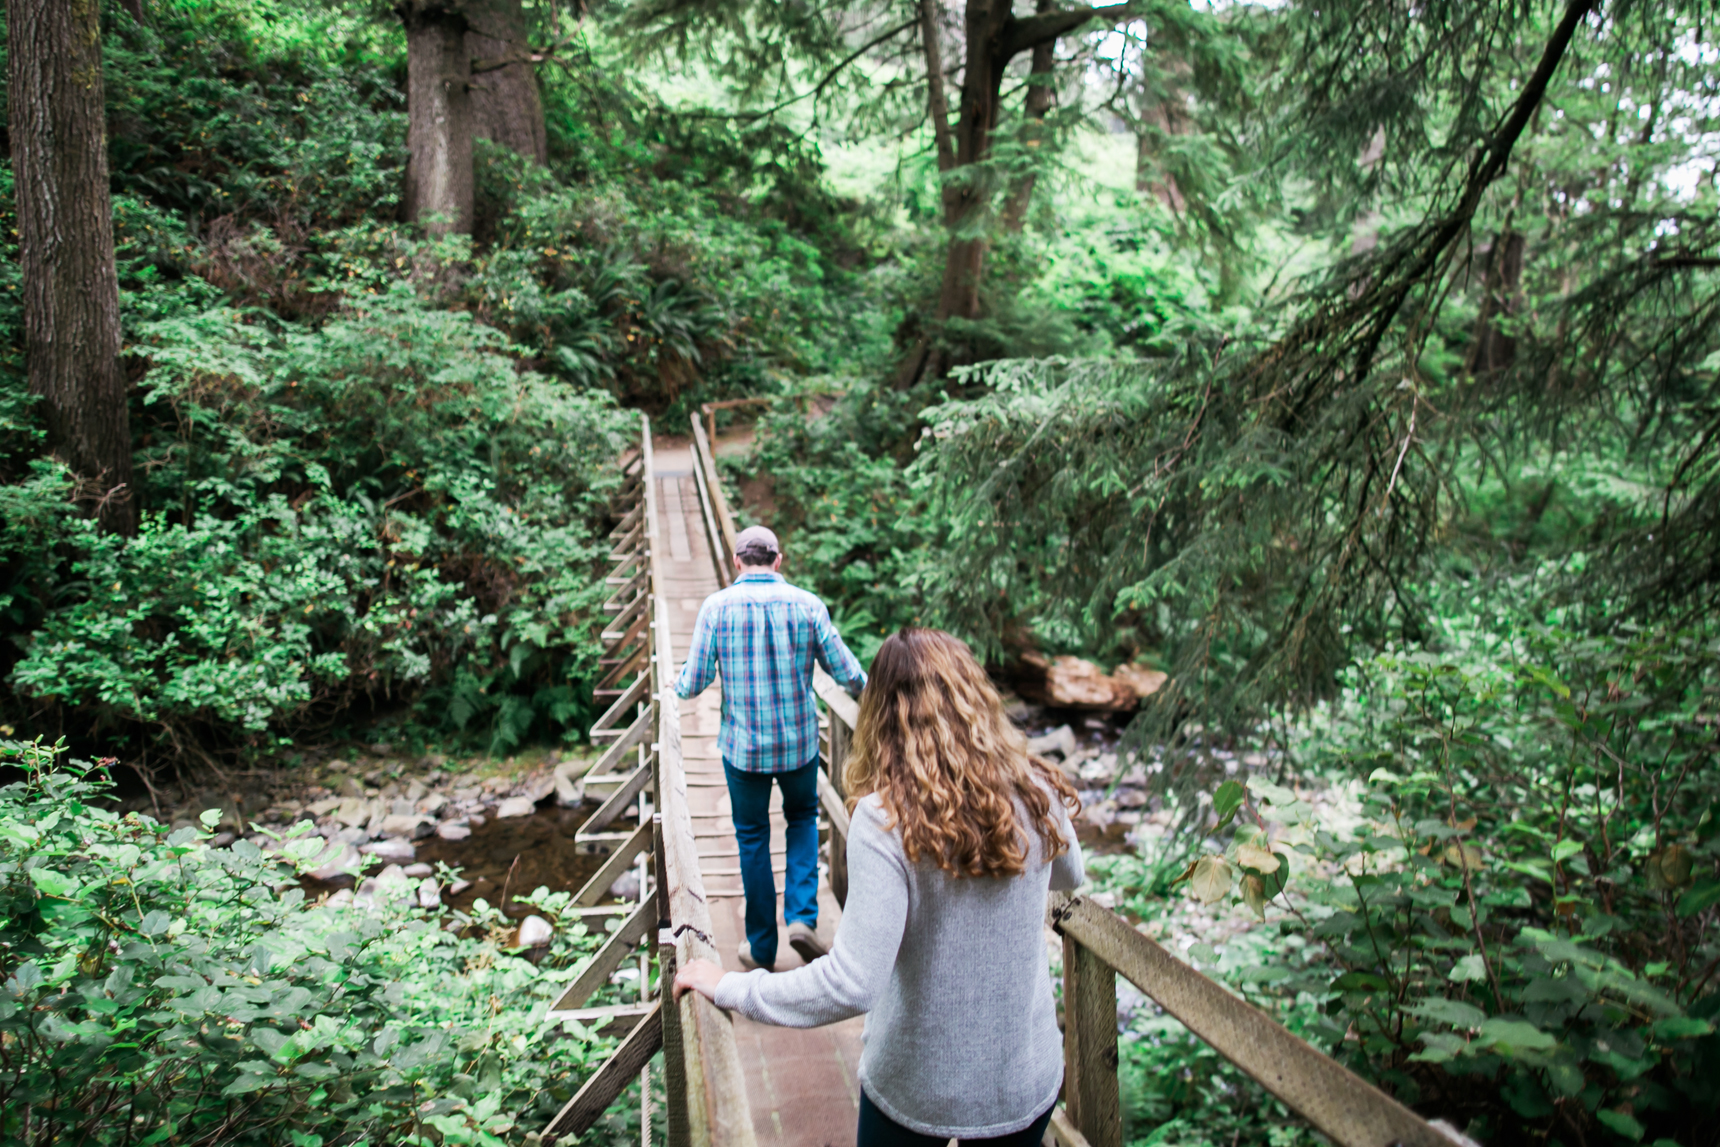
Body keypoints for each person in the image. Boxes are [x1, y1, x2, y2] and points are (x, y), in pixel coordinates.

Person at [675, 627, 1085, 1147]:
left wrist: (732, 988)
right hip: (1019, 1079)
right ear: (976, 699)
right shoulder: (1035, 787)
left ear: (883, 713)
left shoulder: (886, 818)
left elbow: (853, 982)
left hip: (918, 1083)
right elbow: (1071, 874)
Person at [675, 523, 867, 971]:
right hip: (798, 743)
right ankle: (802, 917)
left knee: (753, 837)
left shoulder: (716, 608)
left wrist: (676, 686)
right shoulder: (807, 605)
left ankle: (761, 946)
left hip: (743, 748)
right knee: (802, 819)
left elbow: (696, 680)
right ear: (778, 560)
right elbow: (847, 672)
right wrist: (873, 691)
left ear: (738, 562)